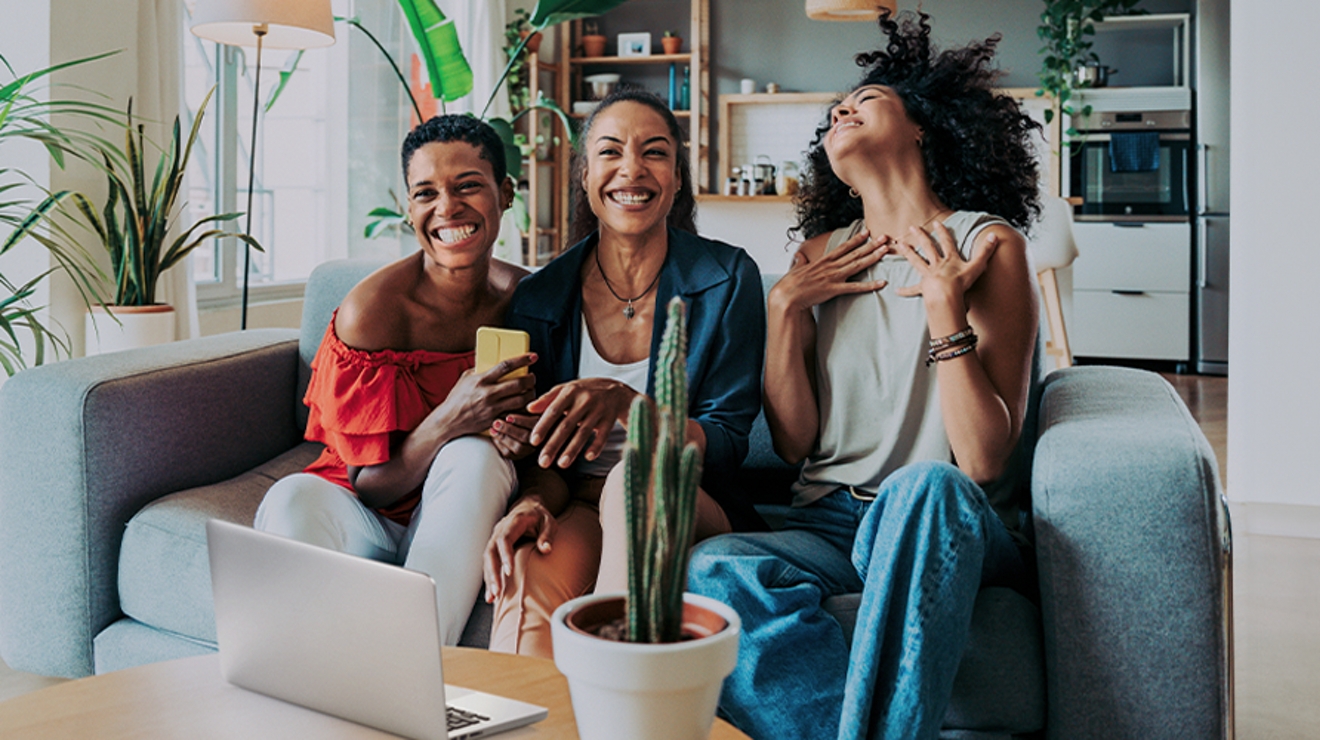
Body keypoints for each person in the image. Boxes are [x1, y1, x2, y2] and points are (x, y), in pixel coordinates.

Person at [686, 11, 1043, 740]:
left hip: (945, 519)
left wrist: (946, 309)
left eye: (868, 99)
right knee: (715, 569)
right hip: (830, 521)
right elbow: (794, 447)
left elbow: (980, 461)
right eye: (837, 108)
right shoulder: (819, 255)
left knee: (925, 483)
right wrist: (785, 311)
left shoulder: (987, 244)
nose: (843, 107)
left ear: (922, 128)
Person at [481, 87, 766, 659]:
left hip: (689, 498)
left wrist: (629, 406)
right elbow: (544, 456)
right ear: (586, 176)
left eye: (655, 152)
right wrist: (533, 501)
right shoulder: (540, 297)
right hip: (577, 500)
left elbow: (731, 441)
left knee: (635, 475)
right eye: (611, 152)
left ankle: (616, 677)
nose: (631, 169)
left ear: (678, 177)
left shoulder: (729, 276)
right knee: (528, 568)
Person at [254, 115, 540, 646]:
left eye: (468, 186)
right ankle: (299, 678)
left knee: (476, 455)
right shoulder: (374, 311)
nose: (447, 208)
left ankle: (404, 664)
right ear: (409, 208)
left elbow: (543, 446)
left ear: (505, 193)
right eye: (425, 193)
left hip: (461, 514)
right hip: (369, 515)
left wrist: (522, 441)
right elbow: (370, 484)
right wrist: (452, 418)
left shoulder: (531, 302)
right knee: (292, 497)